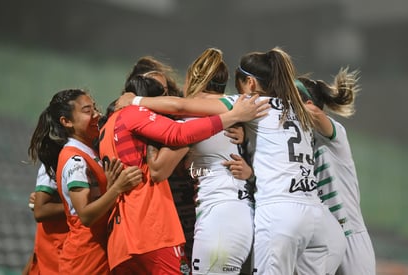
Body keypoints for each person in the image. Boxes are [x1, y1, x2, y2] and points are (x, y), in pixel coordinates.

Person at [116, 46, 338, 275]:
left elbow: (159, 166)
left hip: (229, 222)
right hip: (283, 215)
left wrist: (136, 104)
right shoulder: (278, 111)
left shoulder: (230, 110)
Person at [98, 75, 268, 274]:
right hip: (152, 231)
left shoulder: (109, 126)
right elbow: (174, 141)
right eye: (162, 99)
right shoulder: (135, 114)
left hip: (122, 240)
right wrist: (231, 117)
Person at [28, 88, 143, 275]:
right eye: (87, 111)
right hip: (85, 260)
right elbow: (86, 216)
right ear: (67, 122)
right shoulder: (75, 160)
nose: (96, 115)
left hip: (98, 252)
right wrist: (118, 188)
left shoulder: (90, 151)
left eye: (95, 108)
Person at [179, 48, 255, 274]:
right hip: (239, 214)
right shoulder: (237, 109)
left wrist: (137, 102)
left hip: (220, 220)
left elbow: (159, 169)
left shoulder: (189, 116)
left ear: (193, 78)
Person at [295, 68, 376, 275]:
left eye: (288, 101)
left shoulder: (335, 134)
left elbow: (314, 115)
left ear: (308, 104)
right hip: (319, 238)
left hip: (350, 236)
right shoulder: (294, 144)